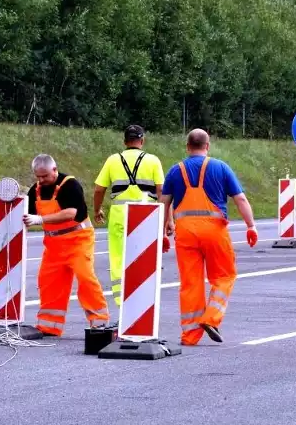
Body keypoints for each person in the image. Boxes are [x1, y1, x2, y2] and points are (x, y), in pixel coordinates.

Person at [159, 128, 258, 346]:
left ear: (187, 147)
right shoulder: (220, 167)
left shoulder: (176, 171)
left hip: (185, 233)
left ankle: (190, 335)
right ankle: (211, 317)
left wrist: (162, 232)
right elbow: (240, 199)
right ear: (207, 146)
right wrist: (251, 226)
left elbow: (163, 203)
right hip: (214, 231)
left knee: (190, 283)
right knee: (224, 276)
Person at [23, 154, 109, 336]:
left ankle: (100, 323)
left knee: (85, 277)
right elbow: (26, 216)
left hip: (78, 239)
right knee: (48, 282)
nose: (41, 180)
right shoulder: (35, 190)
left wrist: (40, 219)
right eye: (37, 176)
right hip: (54, 245)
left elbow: (71, 213)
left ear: (55, 170)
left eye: (45, 176)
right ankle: (49, 325)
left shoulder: (70, 185)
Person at [93, 125, 170, 309]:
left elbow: (98, 189)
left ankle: (122, 303)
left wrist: (97, 210)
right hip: (147, 217)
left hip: (120, 217)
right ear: (142, 141)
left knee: (119, 259)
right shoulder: (152, 161)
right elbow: (162, 192)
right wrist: (167, 220)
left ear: (124, 141)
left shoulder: (113, 160)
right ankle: (143, 300)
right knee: (144, 258)